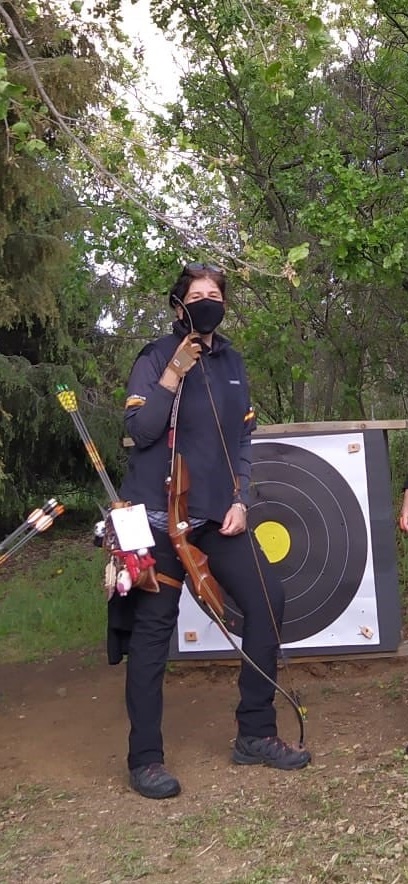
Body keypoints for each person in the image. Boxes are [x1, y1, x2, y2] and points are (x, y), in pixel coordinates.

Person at [119, 262, 312, 800]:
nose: (207, 302)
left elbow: (243, 442)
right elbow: (139, 430)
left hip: (213, 518)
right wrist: (172, 374)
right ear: (179, 305)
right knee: (152, 636)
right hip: (158, 523)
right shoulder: (156, 356)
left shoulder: (233, 361)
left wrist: (241, 497)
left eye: (215, 294)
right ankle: (146, 760)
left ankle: (254, 732)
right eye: (196, 295)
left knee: (267, 597)